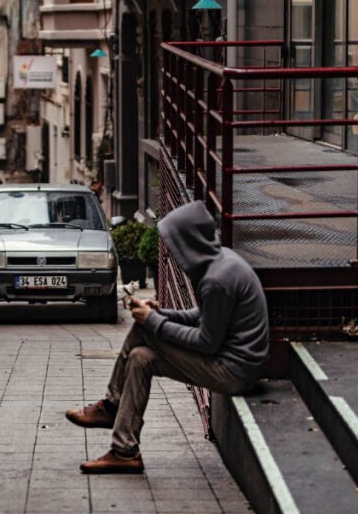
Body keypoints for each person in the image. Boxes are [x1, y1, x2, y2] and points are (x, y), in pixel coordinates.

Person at [65, 201, 269, 474]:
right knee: (140, 358)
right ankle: (124, 450)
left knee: (143, 331)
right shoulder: (223, 262)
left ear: (189, 240)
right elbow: (201, 316)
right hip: (233, 364)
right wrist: (164, 314)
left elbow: (207, 342)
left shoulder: (216, 279)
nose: (172, 252)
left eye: (174, 243)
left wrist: (154, 322)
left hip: (234, 372)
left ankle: (112, 404)